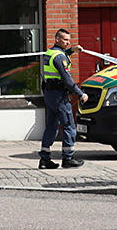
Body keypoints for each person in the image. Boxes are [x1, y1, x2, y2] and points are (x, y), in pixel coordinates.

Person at [39, 29, 89, 169]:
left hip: (50, 94)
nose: (68, 42)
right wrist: (80, 94)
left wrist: (72, 50)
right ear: (57, 39)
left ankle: (44, 159)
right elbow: (68, 80)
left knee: (51, 127)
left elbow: (60, 56)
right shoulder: (60, 57)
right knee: (69, 127)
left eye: (69, 40)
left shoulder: (50, 53)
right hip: (60, 95)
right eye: (66, 40)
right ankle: (68, 158)